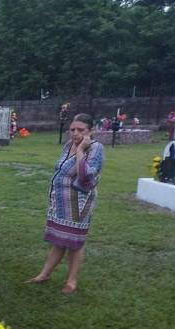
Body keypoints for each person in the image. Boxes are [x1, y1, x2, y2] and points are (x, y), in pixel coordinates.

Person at [27, 113, 104, 294]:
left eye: (80, 130)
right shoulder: (68, 145)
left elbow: (85, 175)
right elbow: (60, 168)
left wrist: (80, 151)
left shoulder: (95, 148)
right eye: (72, 130)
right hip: (61, 202)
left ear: (90, 131)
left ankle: (71, 281)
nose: (75, 133)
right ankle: (44, 274)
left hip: (79, 203)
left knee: (75, 243)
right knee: (59, 241)